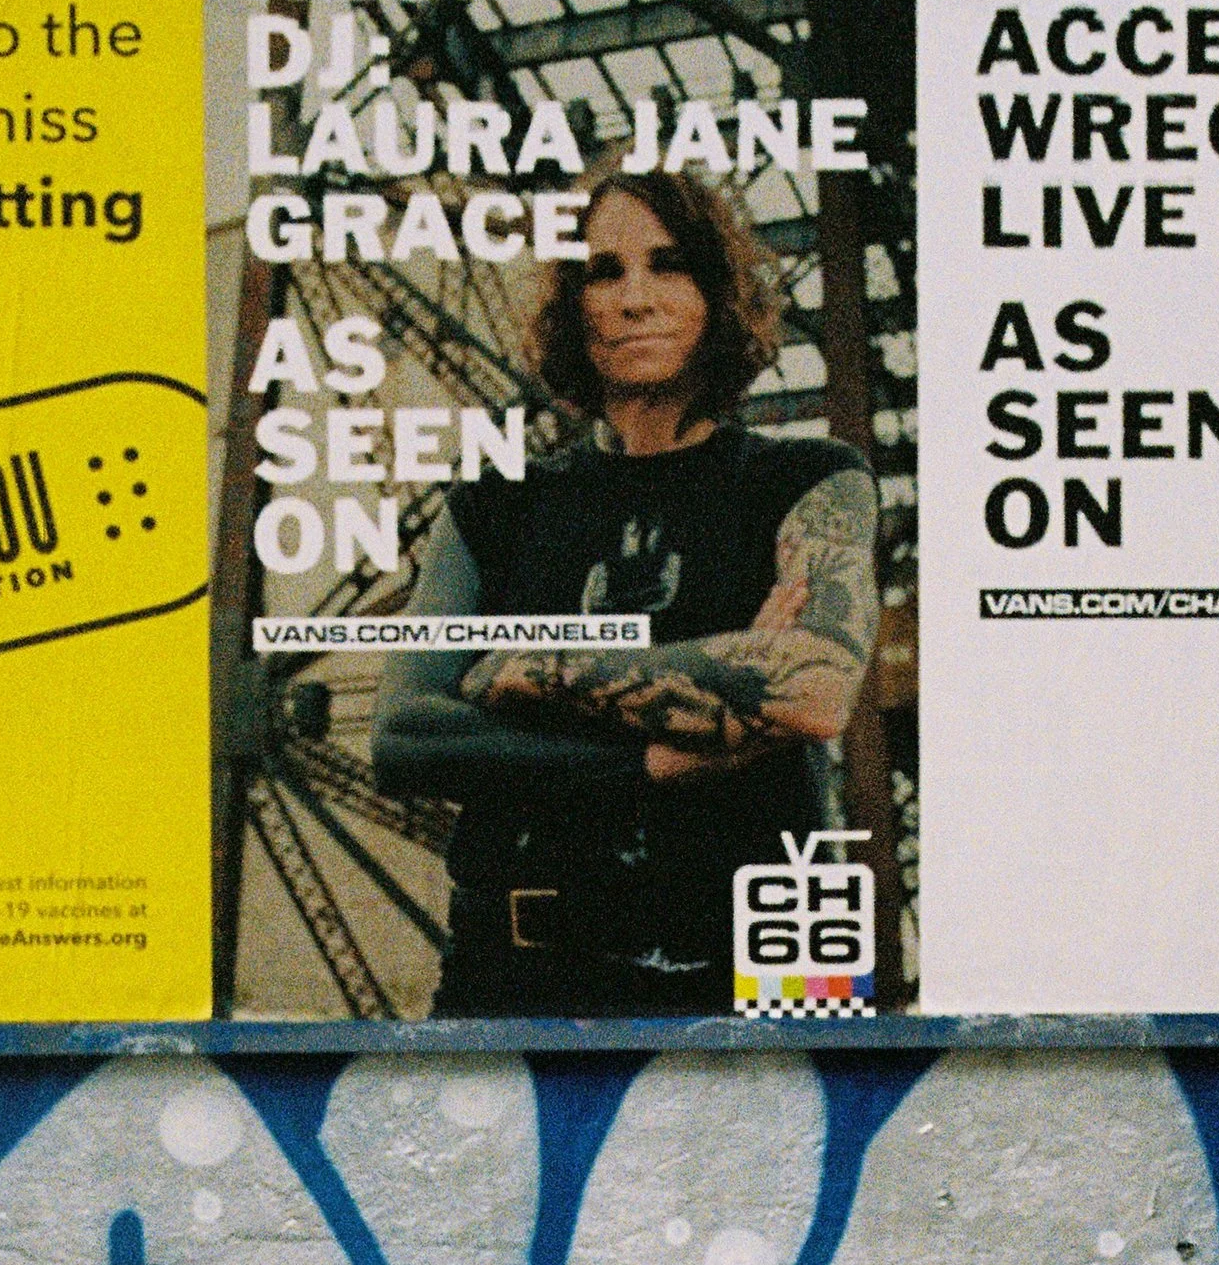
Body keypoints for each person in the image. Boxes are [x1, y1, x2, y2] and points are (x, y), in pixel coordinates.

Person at [370, 165, 881, 1019]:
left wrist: (533, 669)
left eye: (669, 264)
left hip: (780, 969)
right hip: (523, 966)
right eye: (603, 272)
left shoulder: (815, 480)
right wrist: (658, 754)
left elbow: (813, 688)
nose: (634, 297)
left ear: (719, 295)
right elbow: (406, 735)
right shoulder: (492, 509)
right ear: (573, 305)